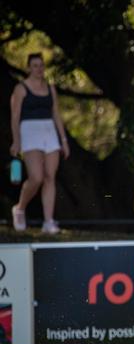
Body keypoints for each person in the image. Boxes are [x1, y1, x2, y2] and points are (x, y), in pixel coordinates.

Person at [9, 53, 70, 234]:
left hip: (49, 132)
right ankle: (19, 208)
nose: (39, 69)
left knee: (50, 176)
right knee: (36, 177)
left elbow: (56, 114)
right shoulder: (21, 89)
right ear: (29, 67)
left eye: (41, 65)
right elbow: (15, 116)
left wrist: (63, 140)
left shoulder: (50, 88)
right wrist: (16, 140)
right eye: (35, 65)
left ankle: (48, 221)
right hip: (29, 132)